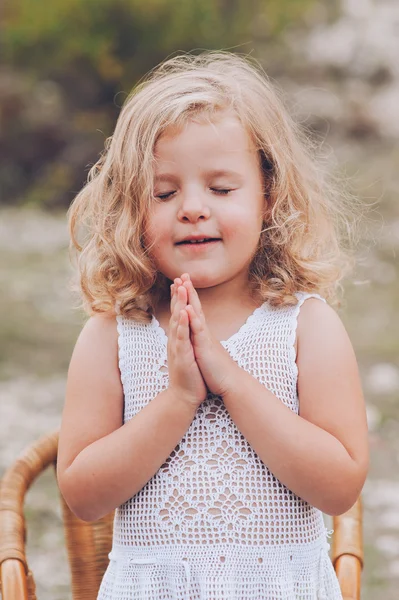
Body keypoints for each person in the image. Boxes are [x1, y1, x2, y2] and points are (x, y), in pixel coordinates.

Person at [57, 51, 369, 600]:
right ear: (131, 207)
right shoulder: (112, 334)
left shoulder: (305, 324)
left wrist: (232, 383)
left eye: (221, 190)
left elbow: (341, 487)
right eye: (164, 192)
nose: (193, 208)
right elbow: (83, 495)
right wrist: (178, 398)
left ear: (268, 196)